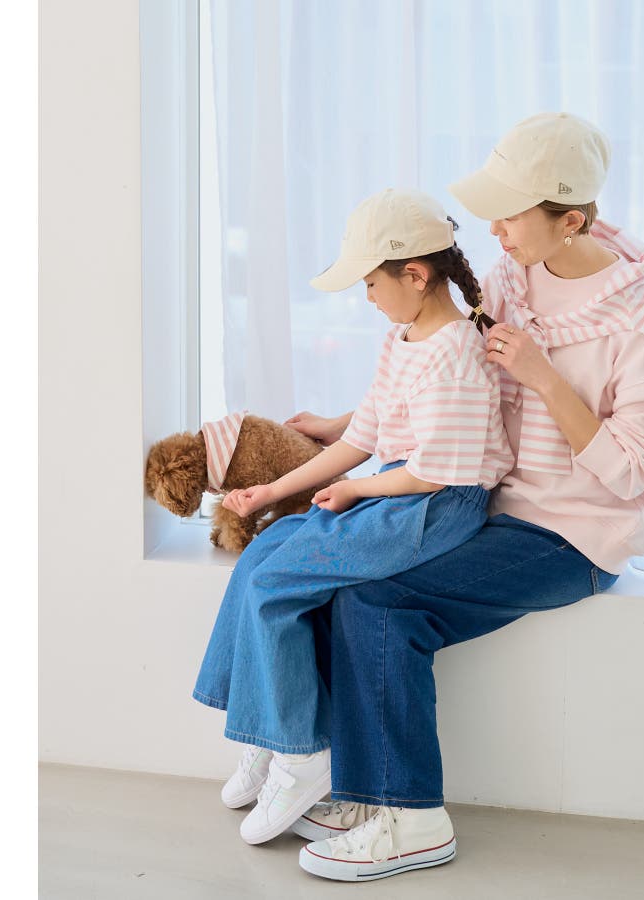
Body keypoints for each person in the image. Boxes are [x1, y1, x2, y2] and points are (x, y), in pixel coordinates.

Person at [288, 113, 644, 883]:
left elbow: (641, 469)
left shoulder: (634, 322)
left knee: (382, 602)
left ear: (570, 220)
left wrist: (544, 376)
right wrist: (346, 426)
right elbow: (446, 373)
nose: (494, 231)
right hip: (490, 503)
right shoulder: (514, 275)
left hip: (573, 534)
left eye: (509, 214)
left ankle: (412, 819)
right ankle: (364, 792)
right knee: (342, 577)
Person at [191, 188, 514, 847]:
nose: (366, 297)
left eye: (370, 283)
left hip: (431, 508)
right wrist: (270, 490)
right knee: (262, 555)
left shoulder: (455, 354)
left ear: (415, 275)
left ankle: (303, 754)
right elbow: (362, 435)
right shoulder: (403, 338)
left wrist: (354, 493)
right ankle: (268, 734)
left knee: (275, 585)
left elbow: (432, 473)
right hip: (397, 492)